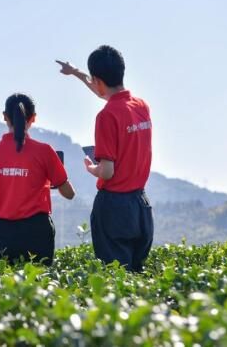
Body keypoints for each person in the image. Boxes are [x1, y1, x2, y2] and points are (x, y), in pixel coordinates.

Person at [56, 45, 154, 272]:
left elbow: (107, 172)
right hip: (141, 206)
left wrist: (92, 168)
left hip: (114, 207)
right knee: (137, 276)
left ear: (98, 80)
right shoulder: (141, 106)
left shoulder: (106, 116)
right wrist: (77, 73)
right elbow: (106, 93)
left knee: (117, 277)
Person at [0, 93, 75, 266]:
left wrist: (9, 204)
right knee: (39, 286)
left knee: (4, 287)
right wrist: (56, 178)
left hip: (5, 232)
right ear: (33, 118)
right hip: (37, 231)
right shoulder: (45, 151)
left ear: (4, 117)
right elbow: (69, 194)